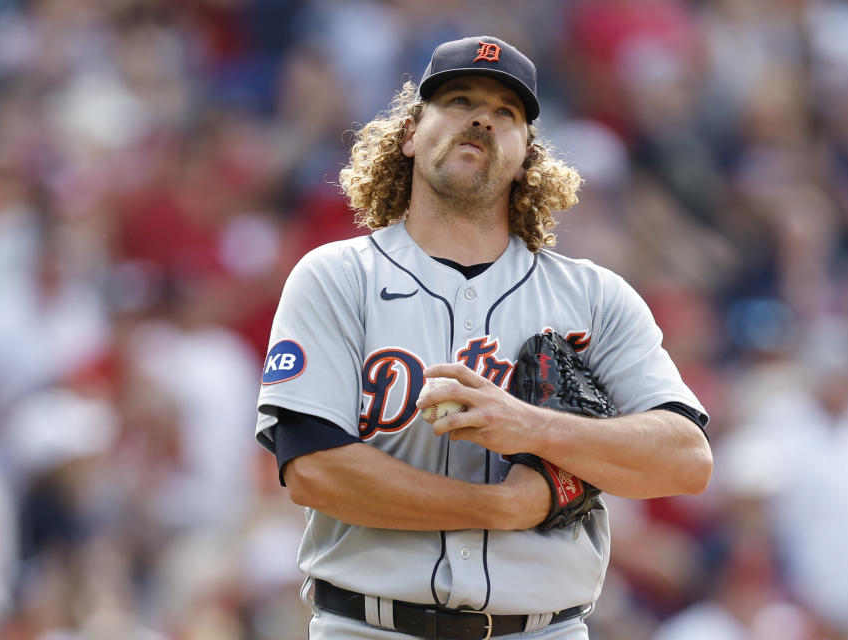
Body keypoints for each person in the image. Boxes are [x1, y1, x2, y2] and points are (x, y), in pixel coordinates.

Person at [255, 35, 712, 640]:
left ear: (527, 156)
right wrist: (501, 507)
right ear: (410, 135)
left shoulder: (594, 297)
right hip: (370, 627)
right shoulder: (338, 277)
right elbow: (312, 470)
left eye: (506, 112)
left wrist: (532, 426)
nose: (481, 118)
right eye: (459, 99)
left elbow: (687, 458)